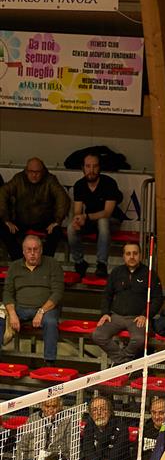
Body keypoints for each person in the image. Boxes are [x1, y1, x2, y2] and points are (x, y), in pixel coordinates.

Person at [93, 241, 163, 364]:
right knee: (97, 335)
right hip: (116, 317)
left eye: (135, 253)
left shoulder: (150, 274)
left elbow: (158, 299)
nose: (132, 257)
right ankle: (124, 361)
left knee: (139, 339)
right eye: (128, 253)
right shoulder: (116, 272)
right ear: (123, 256)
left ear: (140, 255)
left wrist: (145, 315)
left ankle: (121, 361)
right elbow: (107, 294)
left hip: (137, 319)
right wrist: (105, 313)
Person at [2, 234, 64, 363]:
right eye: (28, 250)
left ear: (41, 250)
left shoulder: (53, 264)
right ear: (23, 252)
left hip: (46, 309)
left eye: (35, 249)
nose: (32, 253)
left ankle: (49, 362)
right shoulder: (14, 266)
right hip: (20, 309)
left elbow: (57, 293)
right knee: (0, 316)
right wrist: (12, 313)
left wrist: (41, 311)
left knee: (51, 322)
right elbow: (7, 293)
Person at [0, 157, 70, 260]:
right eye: (31, 172)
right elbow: (2, 192)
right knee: (4, 229)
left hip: (44, 221)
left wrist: (57, 220)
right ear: (26, 171)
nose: (34, 175)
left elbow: (62, 197)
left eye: (37, 172)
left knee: (56, 231)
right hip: (21, 220)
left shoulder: (50, 180)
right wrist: (6, 219)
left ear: (43, 171)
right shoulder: (19, 179)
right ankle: (19, 260)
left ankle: (44, 262)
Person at [67, 153, 122, 279]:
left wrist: (86, 217)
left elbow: (107, 212)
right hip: (91, 220)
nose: (91, 170)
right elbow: (77, 210)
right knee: (71, 228)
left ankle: (102, 264)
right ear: (83, 168)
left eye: (95, 166)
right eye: (88, 166)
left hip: (111, 221)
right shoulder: (79, 184)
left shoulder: (109, 183)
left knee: (103, 221)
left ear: (99, 168)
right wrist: (77, 220)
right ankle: (79, 262)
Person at [14, 396, 73, 460]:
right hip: (33, 459)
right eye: (47, 406)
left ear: (60, 406)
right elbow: (23, 444)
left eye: (54, 406)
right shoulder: (33, 418)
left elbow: (72, 447)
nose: (51, 410)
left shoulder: (69, 419)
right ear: (42, 406)